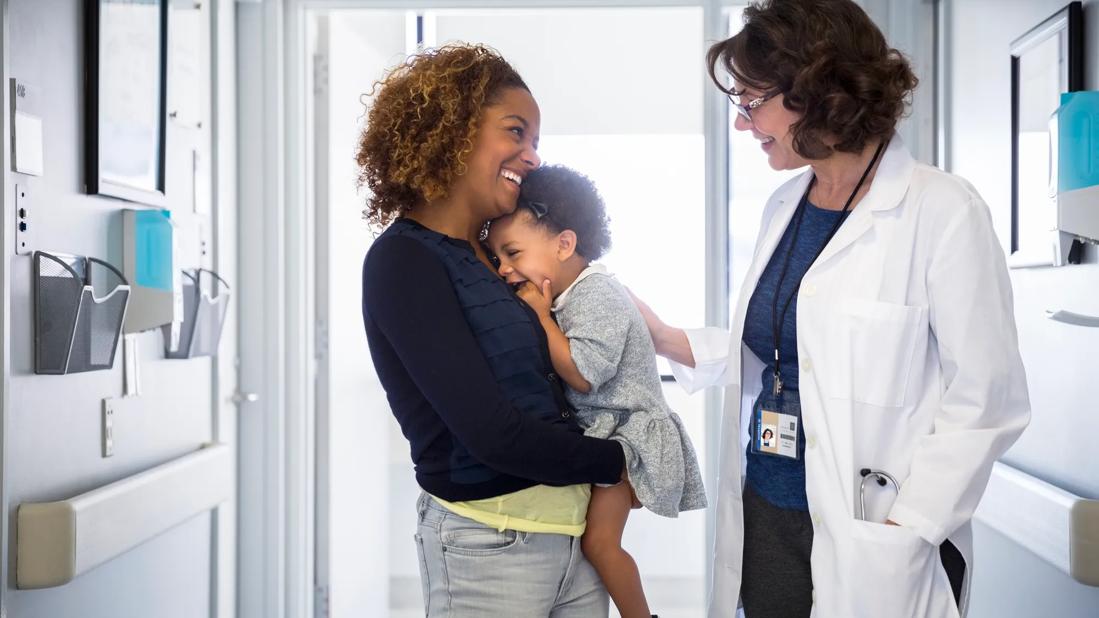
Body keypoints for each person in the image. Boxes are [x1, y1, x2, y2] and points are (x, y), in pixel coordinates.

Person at [631, 1, 1030, 616]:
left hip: (875, 531)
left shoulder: (942, 210)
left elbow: (987, 400)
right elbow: (791, 348)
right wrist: (661, 335)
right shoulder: (785, 205)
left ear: (817, 92)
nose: (743, 124)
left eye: (751, 102)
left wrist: (907, 528)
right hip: (768, 514)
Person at [358, 44, 628, 617]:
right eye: (516, 132)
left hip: (573, 541)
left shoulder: (495, 256)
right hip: (486, 545)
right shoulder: (404, 261)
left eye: (536, 142)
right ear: (451, 130)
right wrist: (621, 462)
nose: (531, 156)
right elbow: (491, 434)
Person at [485, 165, 707, 618]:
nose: (505, 269)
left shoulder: (596, 294)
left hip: (632, 438)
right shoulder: (573, 294)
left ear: (564, 244)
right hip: (610, 434)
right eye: (497, 259)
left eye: (512, 253)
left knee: (600, 544)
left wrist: (542, 318)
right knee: (594, 541)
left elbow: (584, 374)